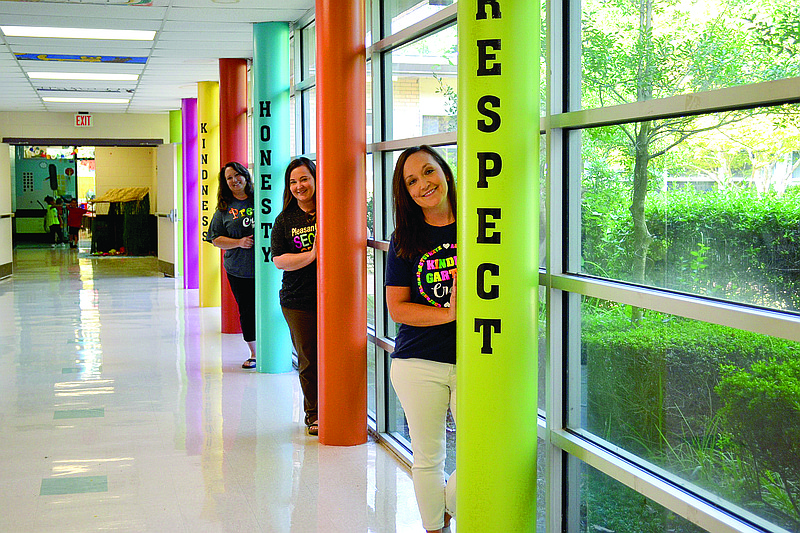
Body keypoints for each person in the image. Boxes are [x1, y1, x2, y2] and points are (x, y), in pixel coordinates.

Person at [385, 145, 457, 533]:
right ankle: (436, 527)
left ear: (444, 171)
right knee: (428, 458)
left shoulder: (479, 224)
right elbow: (398, 308)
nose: (423, 184)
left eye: (428, 172)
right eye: (411, 181)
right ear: (406, 193)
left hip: (476, 358)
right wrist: (449, 313)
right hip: (417, 362)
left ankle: (444, 505)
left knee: (482, 449)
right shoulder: (404, 238)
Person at [271, 157, 319, 436]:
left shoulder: (329, 210)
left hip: (334, 299)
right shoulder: (285, 219)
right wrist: (312, 255)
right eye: (293, 182)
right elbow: (279, 260)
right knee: (308, 358)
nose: (299, 186)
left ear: (315, 179)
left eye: (304, 179)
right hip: (298, 300)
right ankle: (314, 414)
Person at [206, 162, 257, 369]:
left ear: (245, 176)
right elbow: (214, 238)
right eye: (229, 178)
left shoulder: (261, 199)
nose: (235, 180)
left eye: (238, 175)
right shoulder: (224, 208)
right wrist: (239, 242)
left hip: (267, 269)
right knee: (247, 310)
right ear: (225, 183)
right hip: (239, 270)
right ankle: (254, 353)